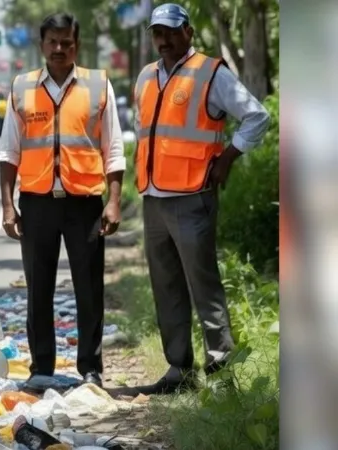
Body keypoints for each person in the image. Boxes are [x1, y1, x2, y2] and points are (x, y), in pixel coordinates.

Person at [134, 3, 270, 394]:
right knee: (166, 285)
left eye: (171, 32)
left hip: (193, 196)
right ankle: (179, 371)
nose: (164, 40)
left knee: (203, 283)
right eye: (157, 33)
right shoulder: (146, 76)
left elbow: (257, 115)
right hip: (153, 198)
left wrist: (228, 157)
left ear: (189, 33)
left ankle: (222, 369)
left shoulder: (211, 73)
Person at [0, 13, 126, 387]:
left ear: (77, 45)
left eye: (66, 43)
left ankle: (90, 367)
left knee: (89, 289)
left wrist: (114, 201)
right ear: (41, 45)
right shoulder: (22, 87)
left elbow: (114, 148)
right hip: (37, 204)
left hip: (85, 203)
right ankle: (42, 369)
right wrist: (8, 206)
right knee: (39, 289)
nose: (59, 49)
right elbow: (9, 153)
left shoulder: (98, 85)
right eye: (52, 42)